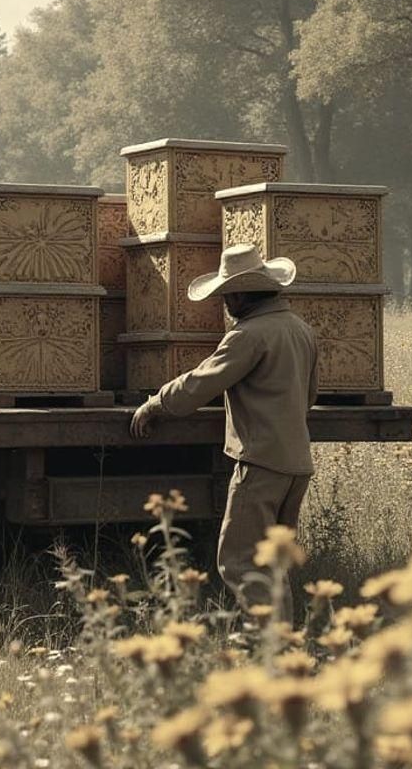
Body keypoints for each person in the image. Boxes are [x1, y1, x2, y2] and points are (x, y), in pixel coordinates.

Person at [130, 244, 318, 617]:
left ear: (243, 294)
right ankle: (282, 638)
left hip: (261, 462)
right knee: (272, 562)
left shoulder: (248, 335)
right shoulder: (301, 329)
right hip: (296, 462)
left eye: (228, 295)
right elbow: (309, 396)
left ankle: (268, 642)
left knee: (240, 560)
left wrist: (157, 403)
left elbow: (201, 383)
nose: (226, 303)